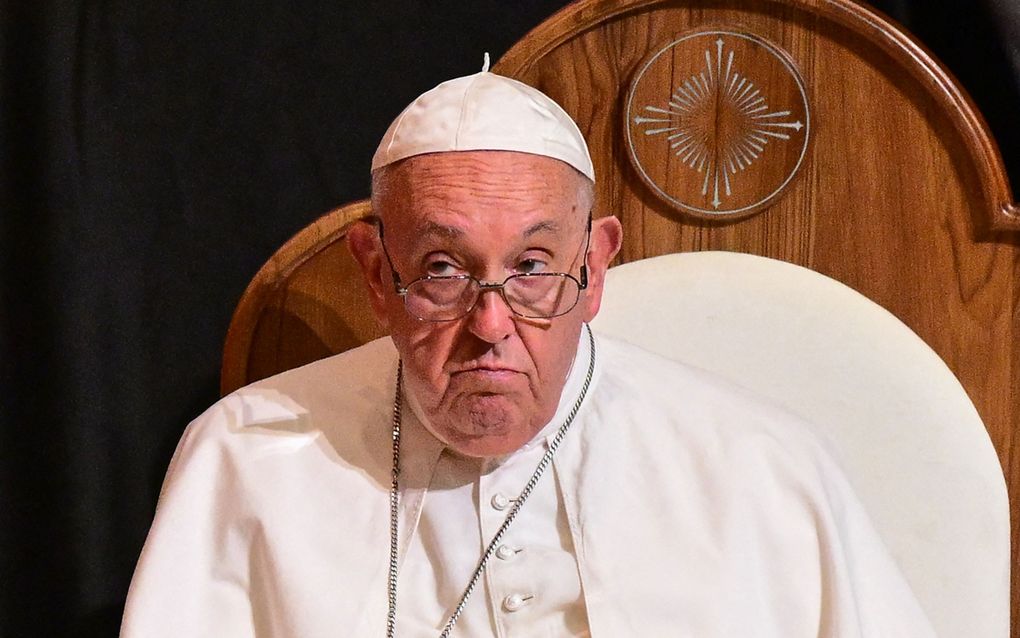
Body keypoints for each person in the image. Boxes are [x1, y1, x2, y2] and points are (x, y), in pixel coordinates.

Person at [120, 66, 935, 637]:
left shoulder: (761, 466)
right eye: (442, 270)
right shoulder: (244, 458)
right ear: (377, 274)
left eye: (534, 268)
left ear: (597, 265)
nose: (490, 325)